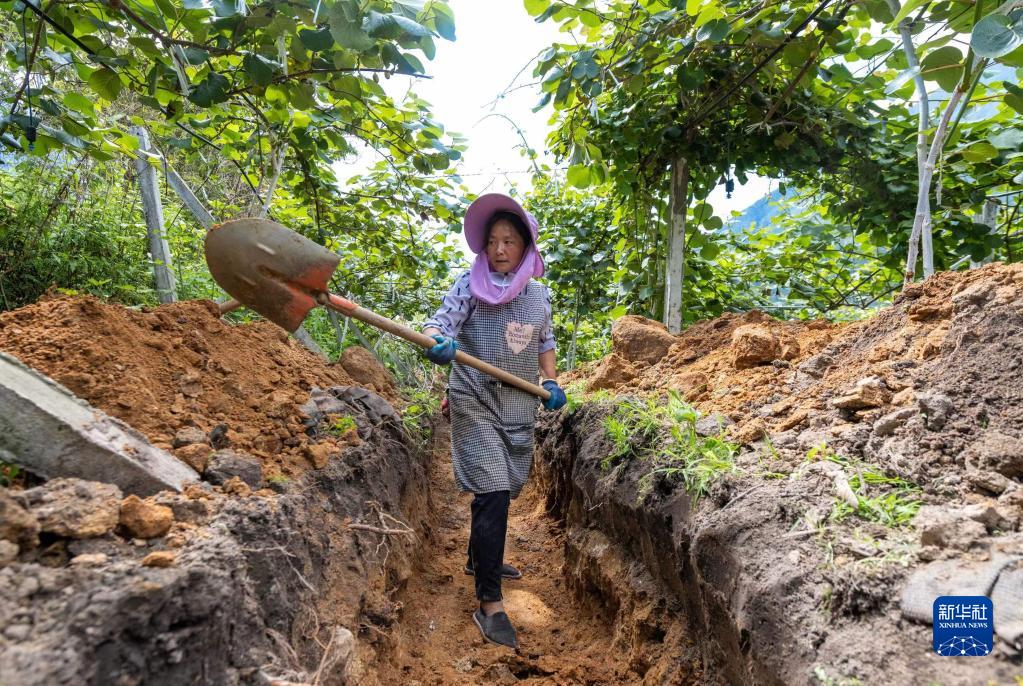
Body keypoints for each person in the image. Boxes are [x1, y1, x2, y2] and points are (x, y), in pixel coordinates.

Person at [421, 193, 567, 649]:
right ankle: (489, 602)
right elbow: (438, 324)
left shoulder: (538, 296)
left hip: (519, 405)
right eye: (492, 241)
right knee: (493, 489)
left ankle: (478, 557)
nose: (499, 250)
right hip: (473, 398)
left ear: (526, 247)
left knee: (508, 485)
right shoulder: (469, 285)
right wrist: (437, 341)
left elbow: (544, 341)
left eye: (509, 241)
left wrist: (551, 380)